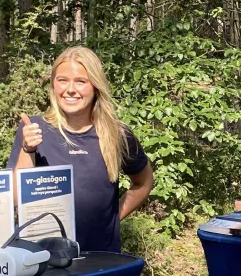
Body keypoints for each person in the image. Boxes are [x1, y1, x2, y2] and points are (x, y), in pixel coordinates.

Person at [10, 46, 155, 254]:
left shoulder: (117, 134)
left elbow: (143, 182)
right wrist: (28, 149)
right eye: (62, 80)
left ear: (95, 86)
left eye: (80, 81)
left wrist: (113, 219)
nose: (70, 89)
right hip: (42, 260)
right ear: (53, 84)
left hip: (100, 259)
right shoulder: (33, 130)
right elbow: (16, 199)